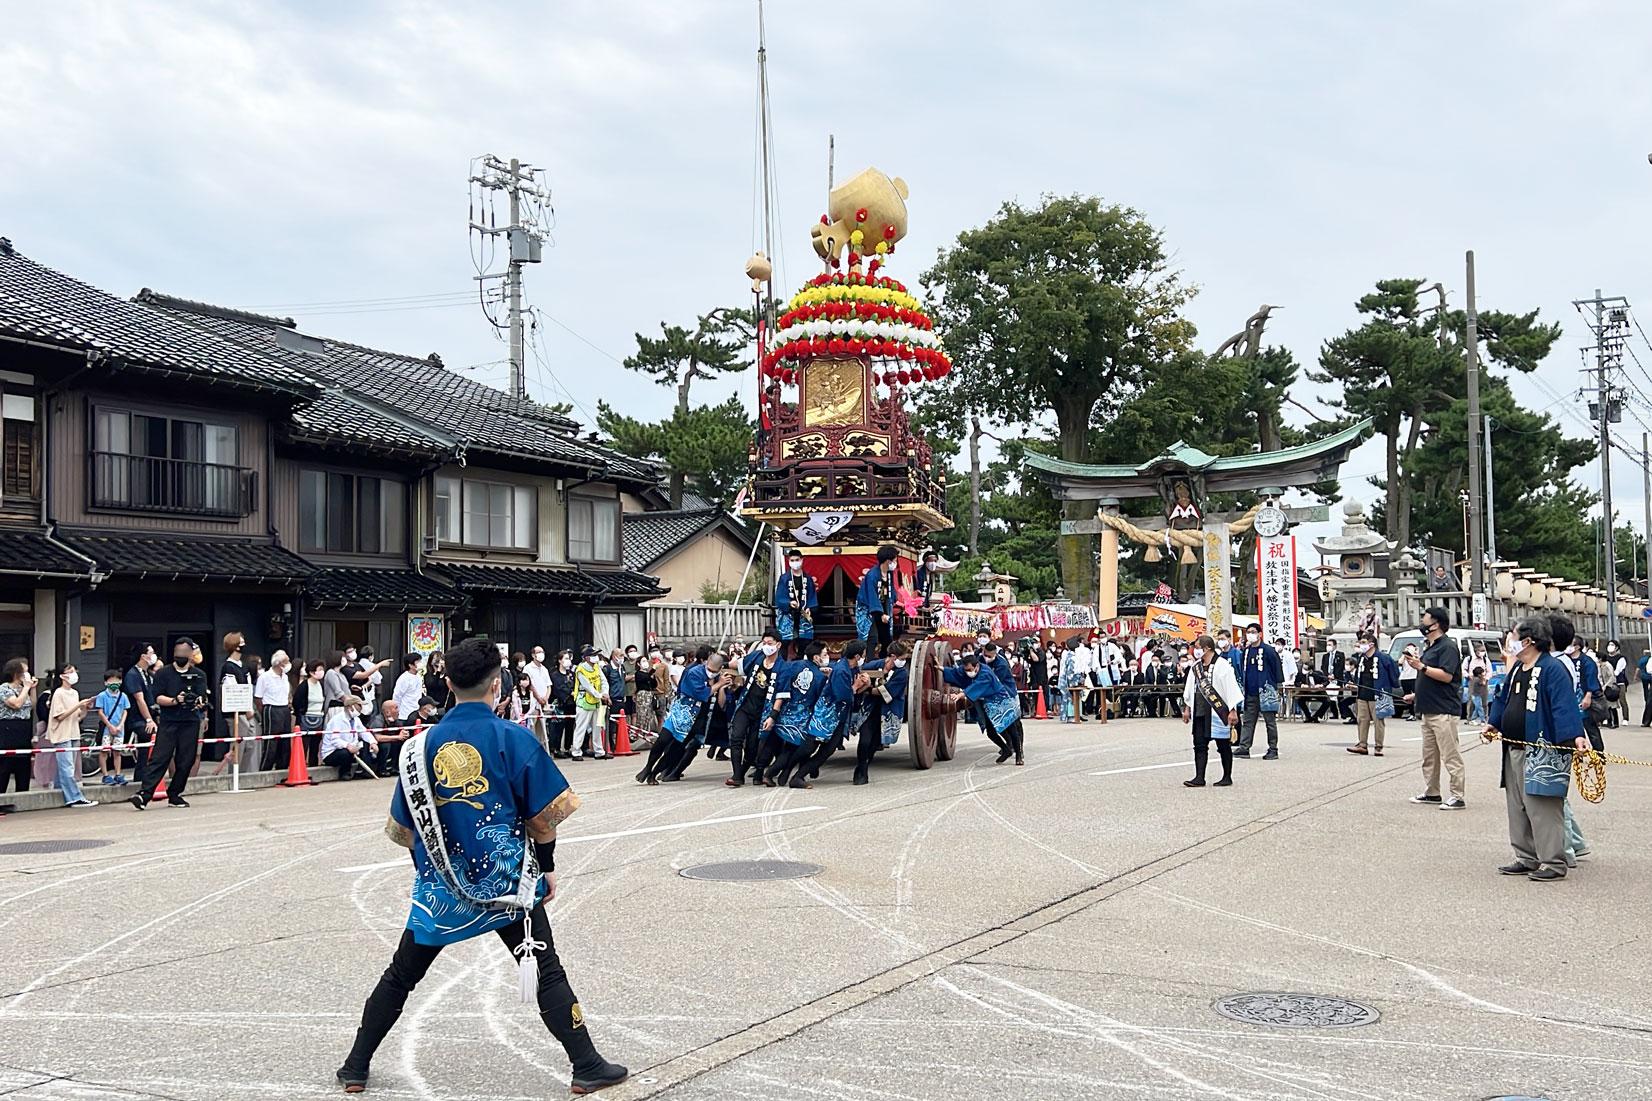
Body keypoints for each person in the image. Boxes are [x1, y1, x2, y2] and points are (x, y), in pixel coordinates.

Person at [336, 636, 626, 1095]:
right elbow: (545, 818)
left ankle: (355, 1066)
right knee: (545, 968)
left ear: (447, 682)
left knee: (402, 974)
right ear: (498, 686)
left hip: (440, 890)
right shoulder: (513, 738)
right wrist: (546, 865)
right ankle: (586, 1064)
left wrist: (432, 867)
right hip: (507, 883)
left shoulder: (418, 748)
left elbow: (404, 830)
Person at [1483, 616, 1587, 882]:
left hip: (1542, 751)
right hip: (1514, 747)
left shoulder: (1552, 669)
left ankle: (1552, 861)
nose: (1511, 641)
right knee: (1517, 805)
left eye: (1515, 636)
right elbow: (1503, 698)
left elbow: (1564, 706)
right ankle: (1525, 856)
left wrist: (1574, 736)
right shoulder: (1518, 668)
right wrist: (1494, 723)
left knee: (1542, 807)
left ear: (1528, 641)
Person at [130, 638, 208, 810]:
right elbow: (157, 697)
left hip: (190, 721)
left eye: (183, 652)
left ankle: (175, 794)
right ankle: (144, 794)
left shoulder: (199, 675)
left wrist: (198, 702)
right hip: (169, 721)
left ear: (190, 654)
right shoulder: (163, 673)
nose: (180, 655)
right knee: (159, 758)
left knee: (186, 760)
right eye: (177, 652)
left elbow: (202, 698)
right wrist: (175, 700)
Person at [1405, 607, 1466, 809]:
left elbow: (1447, 676)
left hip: (1444, 710)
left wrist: (1421, 666)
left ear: (1436, 624)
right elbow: (1429, 678)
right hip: (1427, 708)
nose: (1422, 623)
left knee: (1450, 755)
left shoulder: (1447, 647)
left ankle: (1457, 795)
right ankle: (1432, 792)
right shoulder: (1430, 646)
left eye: (1425, 620)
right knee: (1429, 756)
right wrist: (1415, 695)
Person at [638, 649, 728, 785]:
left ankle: (654, 773)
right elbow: (701, 694)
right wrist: (717, 685)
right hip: (681, 712)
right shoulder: (694, 672)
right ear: (705, 663)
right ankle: (648, 767)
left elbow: (721, 703)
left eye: (714, 671)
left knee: (676, 749)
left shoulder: (719, 678)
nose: (711, 672)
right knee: (663, 740)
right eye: (709, 669)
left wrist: (721, 686)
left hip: (697, 719)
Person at [761, 643, 831, 787]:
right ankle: (769, 774)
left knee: (784, 747)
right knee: (790, 750)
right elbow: (819, 699)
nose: (826, 657)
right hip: (801, 718)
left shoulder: (793, 665)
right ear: (816, 657)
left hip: (785, 712)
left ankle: (782, 774)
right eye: (824, 655)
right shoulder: (820, 677)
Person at [942, 651, 1025, 765]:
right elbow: (956, 672)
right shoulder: (966, 669)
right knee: (991, 732)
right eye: (966, 670)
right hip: (987, 703)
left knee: (1011, 729)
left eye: (969, 670)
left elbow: (977, 686)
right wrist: (941, 668)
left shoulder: (986, 672)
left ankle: (1019, 755)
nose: (968, 672)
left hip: (1000, 700)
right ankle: (1006, 749)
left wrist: (960, 695)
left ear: (976, 666)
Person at [1181, 634, 1242, 787]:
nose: (1195, 650)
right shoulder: (1196, 667)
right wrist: (1187, 708)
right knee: (1199, 745)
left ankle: (1227, 776)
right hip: (1200, 711)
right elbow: (1190, 688)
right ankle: (1199, 777)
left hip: (1218, 712)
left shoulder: (1222, 665)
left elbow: (1231, 688)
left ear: (1207, 648)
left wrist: (1233, 710)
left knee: (1223, 746)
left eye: (1197, 647)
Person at [726, 629, 783, 788]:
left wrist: (773, 714)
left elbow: (781, 694)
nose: (766, 646)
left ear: (778, 645)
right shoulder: (757, 656)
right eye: (764, 643)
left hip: (762, 711)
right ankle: (737, 775)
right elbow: (737, 665)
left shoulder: (782, 666)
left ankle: (743, 772)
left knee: (752, 747)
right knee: (736, 738)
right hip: (745, 705)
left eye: (769, 644)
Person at [856, 640, 909, 785]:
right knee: (865, 740)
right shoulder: (874, 665)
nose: (903, 662)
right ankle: (861, 770)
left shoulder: (902, 674)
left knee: (875, 743)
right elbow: (860, 673)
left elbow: (887, 693)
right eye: (902, 659)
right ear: (892, 656)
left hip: (888, 712)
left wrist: (868, 689)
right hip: (870, 709)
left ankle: (864, 764)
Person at [44, 664, 97, 807]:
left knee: (67, 766)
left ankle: (58, 792)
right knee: (67, 767)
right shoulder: (58, 693)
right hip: (62, 734)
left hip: (73, 733)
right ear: (62, 676)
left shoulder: (74, 693)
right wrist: (78, 705)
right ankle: (75, 798)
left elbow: (78, 717)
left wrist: (84, 708)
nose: (74, 674)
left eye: (75, 671)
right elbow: (59, 716)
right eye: (71, 671)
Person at [1233, 626, 1284, 760]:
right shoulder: (1246, 651)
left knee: (1270, 722)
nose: (1250, 635)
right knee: (1248, 721)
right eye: (1248, 632)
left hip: (1266, 692)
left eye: (1253, 632)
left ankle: (1273, 748)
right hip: (1250, 691)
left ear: (1260, 634)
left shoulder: (1268, 650)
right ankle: (1244, 747)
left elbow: (1277, 668)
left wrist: (1277, 686)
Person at [1345, 632, 1399, 757]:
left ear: (1372, 644)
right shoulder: (1362, 658)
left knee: (1378, 720)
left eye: (1363, 643)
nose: (1360, 645)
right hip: (1363, 693)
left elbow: (1394, 672)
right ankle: (1362, 744)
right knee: (1362, 719)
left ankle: (1378, 746)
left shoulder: (1384, 658)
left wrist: (1390, 687)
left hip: (1378, 693)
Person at [0, 658, 35, 810]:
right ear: (16, 673)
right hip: (8, 727)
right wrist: (26, 688)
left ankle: (22, 798)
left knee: (23, 763)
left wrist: (32, 688)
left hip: (24, 727)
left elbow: (30, 705)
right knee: (5, 765)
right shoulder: (4, 688)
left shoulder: (24, 688)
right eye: (24, 672)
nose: (27, 675)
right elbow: (16, 704)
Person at [322, 693, 382, 780]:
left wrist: (372, 742)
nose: (361, 708)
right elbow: (335, 740)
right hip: (332, 753)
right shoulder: (337, 720)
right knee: (345, 753)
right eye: (359, 706)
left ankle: (365, 771)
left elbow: (364, 732)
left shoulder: (356, 720)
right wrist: (348, 745)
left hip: (351, 748)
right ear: (350, 706)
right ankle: (345, 773)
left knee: (366, 744)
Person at [121, 645, 159, 777]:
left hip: (150, 714)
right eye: (151, 652)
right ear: (143, 656)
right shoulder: (133, 674)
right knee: (145, 745)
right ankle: (141, 776)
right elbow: (139, 699)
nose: (154, 655)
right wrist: (148, 719)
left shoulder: (147, 674)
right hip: (137, 718)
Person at [855, 545, 900, 655]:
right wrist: (880, 614)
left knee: (887, 637)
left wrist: (894, 601)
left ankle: (884, 659)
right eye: (895, 560)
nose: (896, 563)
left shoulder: (889, 574)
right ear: (888, 561)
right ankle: (867, 663)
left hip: (883, 607)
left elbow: (890, 592)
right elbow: (872, 596)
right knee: (871, 638)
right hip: (869, 609)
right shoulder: (872, 575)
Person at [774, 550, 818, 659]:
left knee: (805, 641)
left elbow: (812, 596)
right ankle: (782, 663)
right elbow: (779, 596)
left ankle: (800, 661)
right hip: (788, 613)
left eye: (797, 560)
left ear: (802, 560)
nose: (795, 562)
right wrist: (788, 603)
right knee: (784, 641)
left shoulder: (807, 579)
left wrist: (810, 608)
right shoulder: (784, 578)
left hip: (802, 613)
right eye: (792, 560)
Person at [256, 650, 294, 771]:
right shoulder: (265, 677)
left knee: (285, 741)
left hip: (284, 708)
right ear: (279, 663)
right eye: (286, 661)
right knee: (271, 742)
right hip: (271, 708)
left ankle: (282, 767)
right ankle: (265, 769)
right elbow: (258, 697)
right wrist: (263, 712)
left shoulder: (285, 677)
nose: (289, 664)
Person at [93, 670, 131, 785]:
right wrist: (109, 726)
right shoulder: (102, 696)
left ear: (120, 681)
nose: (114, 683)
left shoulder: (123, 696)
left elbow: (125, 711)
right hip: (106, 728)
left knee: (117, 752)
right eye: (111, 681)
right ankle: (105, 775)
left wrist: (120, 725)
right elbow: (100, 712)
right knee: (104, 751)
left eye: (116, 680)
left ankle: (118, 774)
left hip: (120, 729)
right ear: (105, 682)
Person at [571, 647, 608, 761]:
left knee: (597, 727)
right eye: (593, 655)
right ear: (587, 658)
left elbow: (603, 681)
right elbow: (587, 686)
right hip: (584, 701)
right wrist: (600, 695)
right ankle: (576, 752)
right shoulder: (580, 669)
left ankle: (599, 752)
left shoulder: (597, 667)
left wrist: (605, 692)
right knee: (581, 727)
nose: (596, 657)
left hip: (597, 701)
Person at [393, 654, 427, 735]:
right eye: (417, 661)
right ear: (410, 665)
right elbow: (397, 696)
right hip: (405, 714)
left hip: (416, 712)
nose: (420, 663)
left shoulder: (418, 676)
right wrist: (396, 712)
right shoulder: (404, 678)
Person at [1465, 641, 1492, 725]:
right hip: (1472, 681)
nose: (1482, 652)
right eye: (1481, 650)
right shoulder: (1469, 659)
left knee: (1484, 701)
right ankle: (1470, 718)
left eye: (1484, 650)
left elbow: (1489, 671)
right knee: (1472, 701)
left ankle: (1484, 718)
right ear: (1476, 651)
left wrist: (1485, 679)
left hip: (1484, 681)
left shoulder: (1485, 660)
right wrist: (1468, 675)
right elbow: (1463, 669)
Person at [1603, 640, 1627, 729]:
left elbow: (1618, 671)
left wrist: (1612, 674)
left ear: (1617, 647)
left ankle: (1625, 718)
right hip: (1609, 683)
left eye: (1612, 645)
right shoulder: (1606, 658)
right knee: (1608, 701)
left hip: (1619, 682)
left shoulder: (1621, 658)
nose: (1610, 646)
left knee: (1622, 699)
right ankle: (1608, 719)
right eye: (1609, 644)